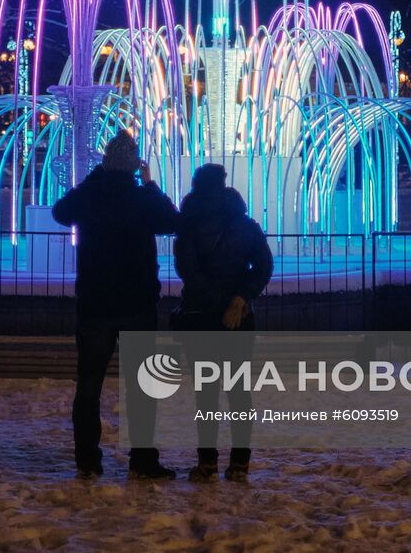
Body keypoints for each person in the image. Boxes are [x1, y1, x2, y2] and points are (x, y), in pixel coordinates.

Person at [52, 131, 180, 481]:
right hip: (137, 303)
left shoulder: (91, 196)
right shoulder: (141, 197)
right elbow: (172, 221)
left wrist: (96, 176)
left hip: (95, 304)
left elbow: (60, 211)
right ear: (135, 166)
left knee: (89, 386)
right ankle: (142, 460)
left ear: (106, 163)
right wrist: (151, 185)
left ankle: (88, 461)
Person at [173, 163, 273, 483]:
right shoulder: (244, 223)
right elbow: (264, 265)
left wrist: (213, 302)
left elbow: (187, 270)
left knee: (207, 394)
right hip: (238, 320)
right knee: (239, 392)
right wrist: (240, 298)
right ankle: (240, 464)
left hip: (201, 317)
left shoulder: (189, 225)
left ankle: (207, 464)